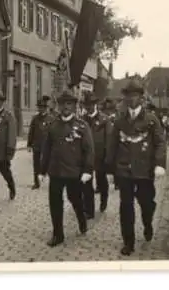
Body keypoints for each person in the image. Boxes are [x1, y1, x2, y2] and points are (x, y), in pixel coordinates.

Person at [106, 80, 166, 256]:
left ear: (141, 98)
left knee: (146, 203)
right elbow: (112, 145)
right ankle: (128, 242)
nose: (132, 99)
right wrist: (110, 170)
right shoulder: (119, 120)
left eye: (135, 95)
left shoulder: (151, 119)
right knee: (126, 206)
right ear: (124, 98)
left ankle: (147, 223)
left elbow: (160, 143)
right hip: (124, 169)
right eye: (128, 96)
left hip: (145, 170)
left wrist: (159, 164)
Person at [39, 90, 95, 247]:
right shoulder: (53, 125)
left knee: (75, 199)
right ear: (58, 106)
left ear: (74, 106)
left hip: (74, 172)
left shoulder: (82, 126)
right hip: (56, 171)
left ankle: (82, 220)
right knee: (55, 202)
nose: (65, 107)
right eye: (63, 104)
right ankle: (58, 234)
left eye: (69, 104)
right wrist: (42, 171)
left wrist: (87, 171)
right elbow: (47, 149)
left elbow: (89, 150)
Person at [80, 92, 112, 217]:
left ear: (96, 105)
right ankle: (89, 210)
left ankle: (104, 200)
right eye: (86, 105)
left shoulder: (104, 119)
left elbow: (109, 139)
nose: (89, 107)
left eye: (91, 105)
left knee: (101, 180)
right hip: (87, 156)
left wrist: (108, 156)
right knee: (86, 182)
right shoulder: (82, 120)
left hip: (100, 155)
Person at [27, 95, 55, 189]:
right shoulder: (35, 118)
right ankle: (36, 182)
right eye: (40, 107)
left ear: (46, 108)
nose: (41, 109)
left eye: (43, 107)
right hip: (37, 145)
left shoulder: (51, 119)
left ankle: (51, 180)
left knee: (49, 163)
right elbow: (31, 131)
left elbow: (54, 133)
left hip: (47, 146)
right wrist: (29, 144)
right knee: (36, 165)